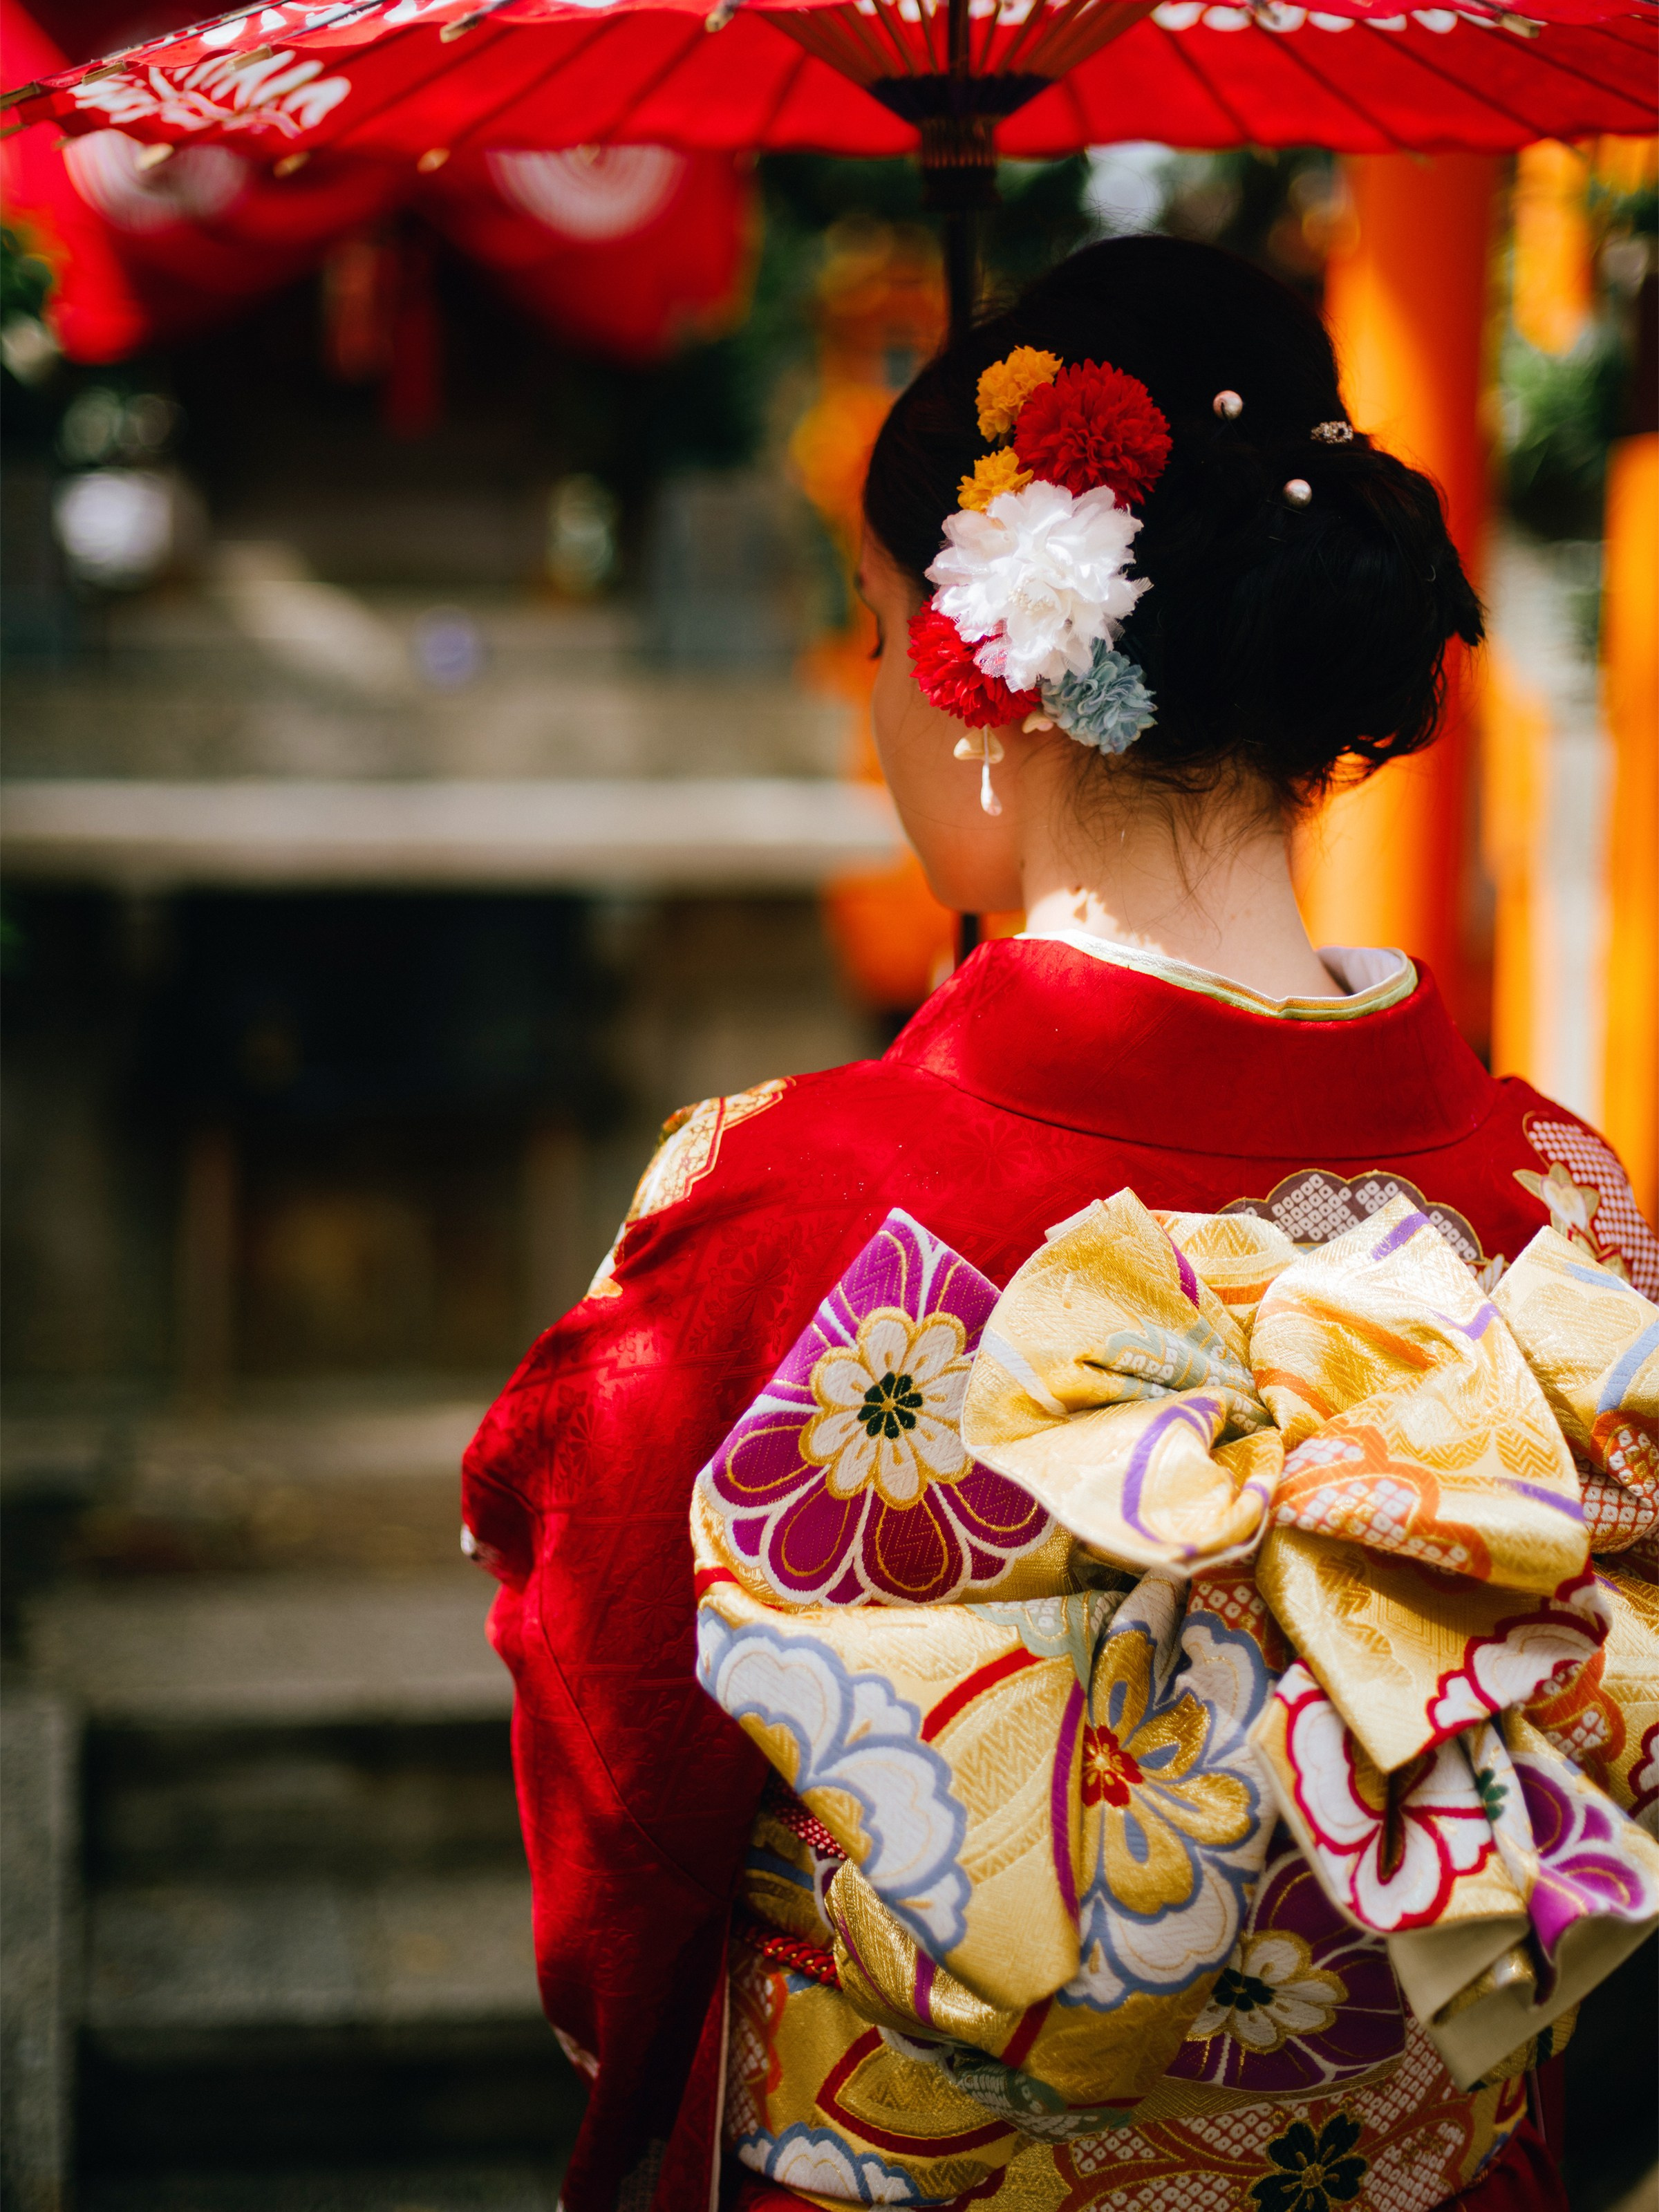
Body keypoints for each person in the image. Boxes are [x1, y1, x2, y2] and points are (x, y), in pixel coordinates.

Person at [462, 236, 1659, 2212]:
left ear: (976, 683)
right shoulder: (1560, 1209)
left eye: (869, 626)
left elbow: (628, 1832)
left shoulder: (775, 1210)